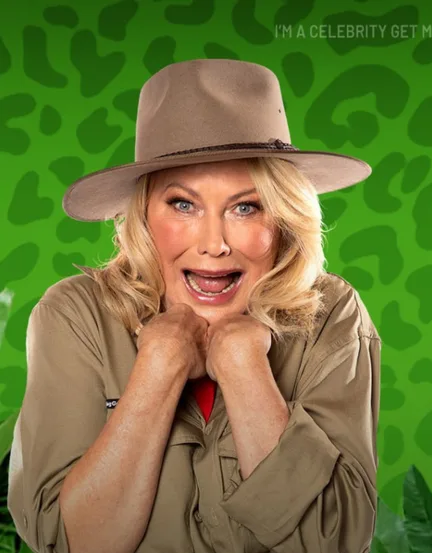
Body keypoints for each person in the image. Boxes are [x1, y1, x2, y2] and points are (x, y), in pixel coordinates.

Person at [8, 59, 380, 553]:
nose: (213, 245)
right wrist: (157, 368)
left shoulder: (332, 312)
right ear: (142, 214)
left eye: (246, 207)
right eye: (183, 204)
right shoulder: (75, 315)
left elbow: (333, 542)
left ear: (285, 218)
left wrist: (244, 365)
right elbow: (69, 543)